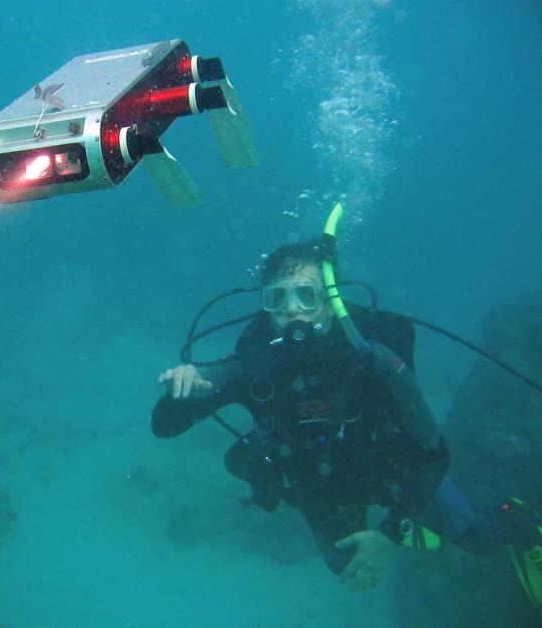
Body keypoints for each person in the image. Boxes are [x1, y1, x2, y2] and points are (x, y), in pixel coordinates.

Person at [152, 236, 541, 593]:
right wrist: (181, 392)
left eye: (307, 296)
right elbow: (164, 427)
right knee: (346, 566)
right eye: (277, 299)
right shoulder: (255, 365)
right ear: (264, 304)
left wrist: (390, 533)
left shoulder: (372, 357)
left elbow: (433, 454)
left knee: (475, 536)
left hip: (393, 466)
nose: (292, 311)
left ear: (330, 298)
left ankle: (520, 521)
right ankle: (416, 525)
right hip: (322, 483)